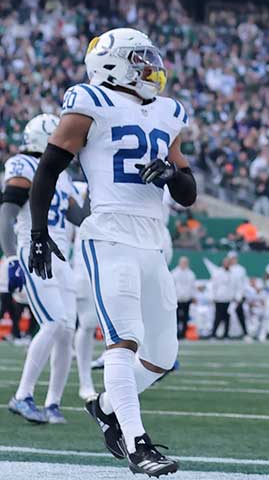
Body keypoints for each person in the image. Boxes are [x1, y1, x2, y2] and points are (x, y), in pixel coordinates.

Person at [26, 27, 195, 475]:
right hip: (108, 234)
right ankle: (139, 446)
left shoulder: (168, 111)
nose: (149, 66)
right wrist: (39, 232)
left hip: (152, 239)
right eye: (138, 58)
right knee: (124, 339)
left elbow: (189, 191)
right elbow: (47, 170)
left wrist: (171, 176)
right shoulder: (89, 101)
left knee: (161, 355)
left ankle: (104, 406)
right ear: (112, 63)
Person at [3, 114, 88, 424]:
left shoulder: (62, 176)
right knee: (52, 323)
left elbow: (80, 217)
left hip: (61, 258)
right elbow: (7, 214)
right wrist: (12, 258)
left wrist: (96, 181)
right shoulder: (22, 164)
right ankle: (23, 395)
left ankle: (53, 403)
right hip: (35, 252)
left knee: (66, 331)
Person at [204, 254, 238, 340]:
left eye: (228, 262)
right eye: (225, 262)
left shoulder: (233, 274)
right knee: (218, 316)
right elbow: (213, 285)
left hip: (229, 298)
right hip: (219, 298)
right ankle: (213, 334)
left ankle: (226, 335)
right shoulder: (217, 272)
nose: (227, 264)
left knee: (227, 317)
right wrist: (213, 296)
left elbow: (235, 286)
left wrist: (235, 296)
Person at [172, 256, 196, 339]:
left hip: (186, 299)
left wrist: (193, 296)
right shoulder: (174, 273)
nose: (184, 264)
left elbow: (192, 286)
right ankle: (175, 333)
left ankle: (183, 334)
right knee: (176, 317)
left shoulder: (190, 274)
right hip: (177, 299)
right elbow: (172, 286)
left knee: (185, 317)